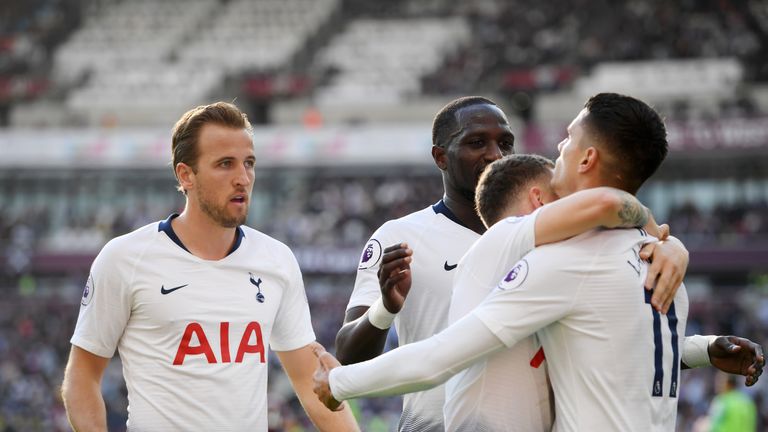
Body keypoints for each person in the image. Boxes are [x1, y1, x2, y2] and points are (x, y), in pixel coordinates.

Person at [314, 93, 765, 430]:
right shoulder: (405, 236)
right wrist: (652, 229)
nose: (495, 152)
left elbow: (602, 346)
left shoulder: (564, 259)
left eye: (505, 142)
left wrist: (335, 387)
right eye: (476, 142)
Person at [60, 102, 358, 431]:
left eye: (249, 163)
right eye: (225, 164)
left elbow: (309, 381)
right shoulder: (125, 258)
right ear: (185, 174)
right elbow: (82, 376)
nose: (242, 178)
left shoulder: (277, 260)